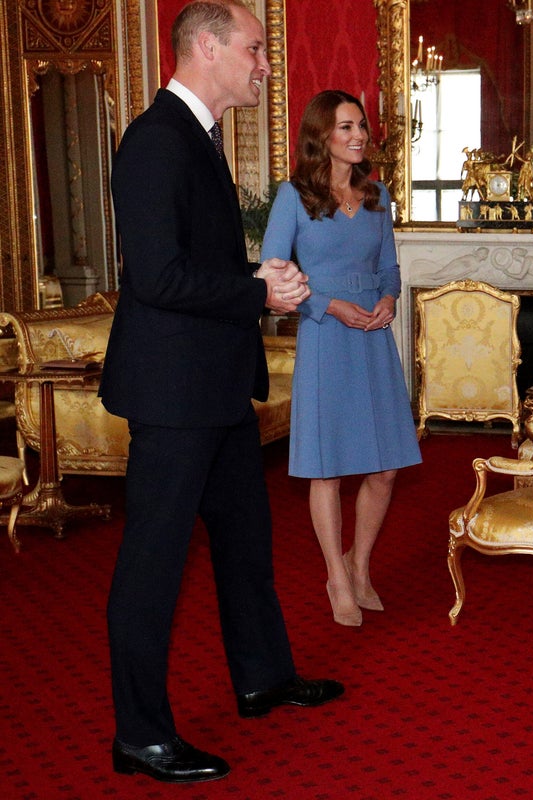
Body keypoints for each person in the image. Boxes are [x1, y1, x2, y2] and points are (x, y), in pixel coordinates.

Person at [102, 0, 343, 784]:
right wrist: (257, 290)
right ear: (206, 46)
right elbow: (160, 276)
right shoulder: (155, 141)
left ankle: (262, 678)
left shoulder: (197, 138)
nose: (264, 62)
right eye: (255, 47)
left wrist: (256, 278)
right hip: (172, 396)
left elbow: (198, 259)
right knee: (153, 567)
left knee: (246, 546)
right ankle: (139, 736)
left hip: (215, 386)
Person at [261, 90, 421, 627]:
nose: (358, 136)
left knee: (387, 467)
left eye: (361, 127)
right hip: (326, 336)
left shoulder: (377, 196)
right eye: (346, 127)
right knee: (326, 469)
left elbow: (389, 268)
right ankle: (335, 575)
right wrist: (330, 306)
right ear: (322, 135)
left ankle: (360, 562)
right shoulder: (294, 197)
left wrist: (387, 300)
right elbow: (273, 273)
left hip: (373, 338)